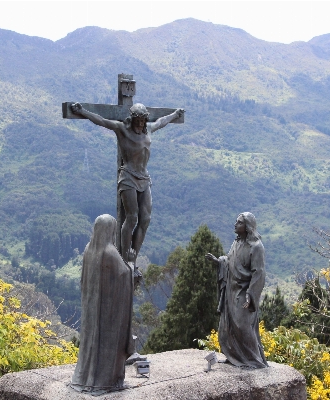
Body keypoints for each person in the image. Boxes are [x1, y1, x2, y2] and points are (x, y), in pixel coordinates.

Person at [71, 102, 184, 262]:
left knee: (145, 218)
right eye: (137, 120)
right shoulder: (122, 130)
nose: (140, 123)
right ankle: (124, 258)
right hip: (128, 177)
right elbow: (102, 121)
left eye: (143, 120)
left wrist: (175, 114)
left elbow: (161, 122)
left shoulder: (148, 129)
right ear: (132, 119)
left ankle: (133, 256)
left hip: (144, 177)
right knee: (132, 217)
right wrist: (82, 111)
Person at [71, 214, 134, 394]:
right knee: (108, 347)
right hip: (108, 316)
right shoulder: (110, 252)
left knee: (91, 344)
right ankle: (106, 381)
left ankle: (84, 378)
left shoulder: (88, 250)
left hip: (91, 312)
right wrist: (130, 262)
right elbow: (124, 276)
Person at [205, 212, 268, 369]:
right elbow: (230, 260)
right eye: (236, 222)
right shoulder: (237, 243)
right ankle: (236, 357)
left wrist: (251, 294)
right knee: (229, 326)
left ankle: (254, 361)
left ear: (247, 227)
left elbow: (258, 273)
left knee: (243, 326)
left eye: (239, 223)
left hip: (244, 292)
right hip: (231, 290)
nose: (235, 224)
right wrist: (219, 261)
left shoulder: (256, 247)